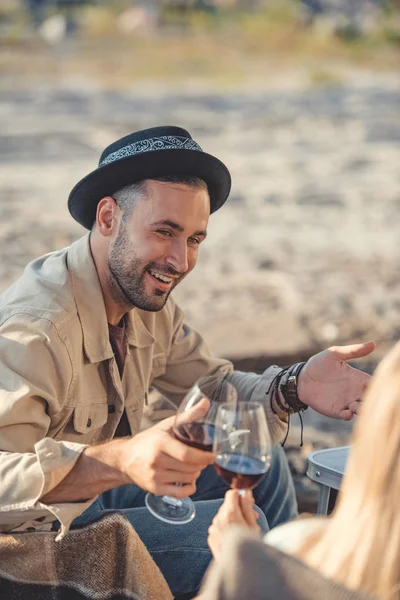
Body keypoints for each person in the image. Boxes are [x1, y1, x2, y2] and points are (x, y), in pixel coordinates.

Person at [0, 125, 374, 599]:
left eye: (195, 239)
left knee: (262, 457)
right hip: (28, 545)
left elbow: (215, 389)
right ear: (108, 217)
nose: (180, 261)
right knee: (238, 533)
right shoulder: (36, 328)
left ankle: (280, 588)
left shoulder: (141, 294)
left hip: (93, 495)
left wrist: (292, 387)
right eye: (164, 232)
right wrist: (119, 460)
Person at [206, 341, 400, 600]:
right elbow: (204, 379)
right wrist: (293, 386)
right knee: (268, 457)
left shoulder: (284, 547)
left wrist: (238, 567)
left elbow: (207, 383)